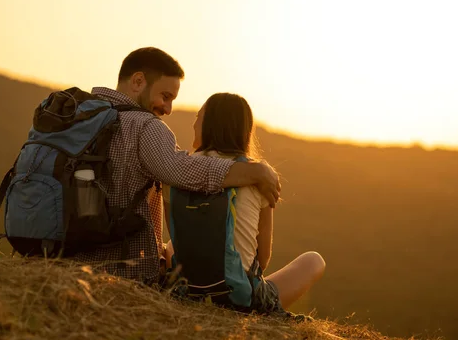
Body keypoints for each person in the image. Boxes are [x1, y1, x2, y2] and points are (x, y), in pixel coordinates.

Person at [72, 47, 281, 285]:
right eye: (165, 96)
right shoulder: (145, 126)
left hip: (66, 256)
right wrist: (256, 171)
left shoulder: (79, 116)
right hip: (120, 270)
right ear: (138, 81)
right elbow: (180, 171)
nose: (168, 109)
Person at [163, 93, 325, 315]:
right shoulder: (260, 177)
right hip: (240, 298)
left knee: (170, 244)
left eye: (199, 116)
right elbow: (263, 258)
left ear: (211, 124)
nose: (193, 122)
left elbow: (178, 236)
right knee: (314, 261)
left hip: (188, 291)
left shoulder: (174, 174)